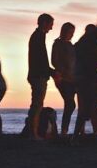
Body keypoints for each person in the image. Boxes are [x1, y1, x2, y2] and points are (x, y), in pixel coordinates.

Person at [71, 22, 97, 140]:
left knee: (87, 108)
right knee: (87, 108)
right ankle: (79, 135)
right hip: (88, 79)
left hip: (85, 79)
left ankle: (78, 135)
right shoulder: (91, 44)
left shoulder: (79, 45)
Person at [27, 13, 56, 141]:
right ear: (44, 23)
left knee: (37, 104)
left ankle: (32, 132)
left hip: (37, 74)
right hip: (38, 75)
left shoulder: (39, 36)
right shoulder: (38, 37)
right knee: (37, 105)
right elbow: (41, 60)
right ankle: (33, 134)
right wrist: (51, 72)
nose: (51, 28)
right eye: (50, 25)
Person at [52, 22, 76, 135]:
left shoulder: (71, 46)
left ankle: (65, 131)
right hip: (62, 79)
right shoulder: (58, 44)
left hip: (73, 79)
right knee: (70, 104)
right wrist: (62, 71)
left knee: (69, 104)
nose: (71, 34)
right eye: (70, 32)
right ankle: (64, 130)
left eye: (73, 32)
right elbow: (54, 61)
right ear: (64, 31)